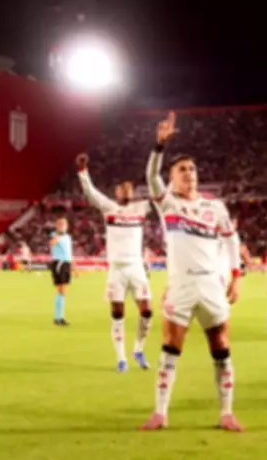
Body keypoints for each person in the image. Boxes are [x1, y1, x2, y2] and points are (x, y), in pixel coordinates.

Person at [141, 111, 244, 432]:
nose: (189, 173)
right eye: (182, 169)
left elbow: (231, 239)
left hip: (211, 285)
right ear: (171, 177)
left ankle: (226, 413)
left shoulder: (216, 207)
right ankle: (160, 413)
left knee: (222, 348)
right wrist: (159, 146)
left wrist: (235, 276)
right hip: (181, 285)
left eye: (192, 169)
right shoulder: (168, 203)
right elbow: (150, 177)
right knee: (170, 349)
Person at [77, 155, 154, 373]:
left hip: (136, 267)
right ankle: (121, 358)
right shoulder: (109, 208)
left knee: (147, 311)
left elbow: (161, 195)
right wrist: (83, 171)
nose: (127, 191)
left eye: (130, 188)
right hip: (117, 269)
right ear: (117, 193)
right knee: (118, 313)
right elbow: (91, 192)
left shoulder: (142, 208)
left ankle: (138, 349)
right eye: (123, 189)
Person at [49, 216, 73, 326]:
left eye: (65, 224)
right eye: (61, 224)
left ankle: (59, 317)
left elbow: (69, 252)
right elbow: (52, 243)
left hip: (66, 263)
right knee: (61, 291)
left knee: (63, 291)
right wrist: (60, 233)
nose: (64, 226)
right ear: (57, 226)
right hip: (59, 263)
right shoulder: (55, 235)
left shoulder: (68, 237)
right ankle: (58, 318)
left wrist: (73, 266)